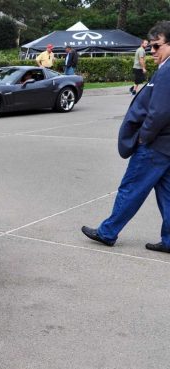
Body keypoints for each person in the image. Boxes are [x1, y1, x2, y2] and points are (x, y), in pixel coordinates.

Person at [82, 21, 170, 253]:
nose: (151, 51)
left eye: (156, 46)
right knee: (167, 193)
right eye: (150, 46)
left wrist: (144, 137)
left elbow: (160, 111)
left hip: (155, 145)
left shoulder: (168, 70)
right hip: (166, 146)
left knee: (131, 188)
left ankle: (107, 231)